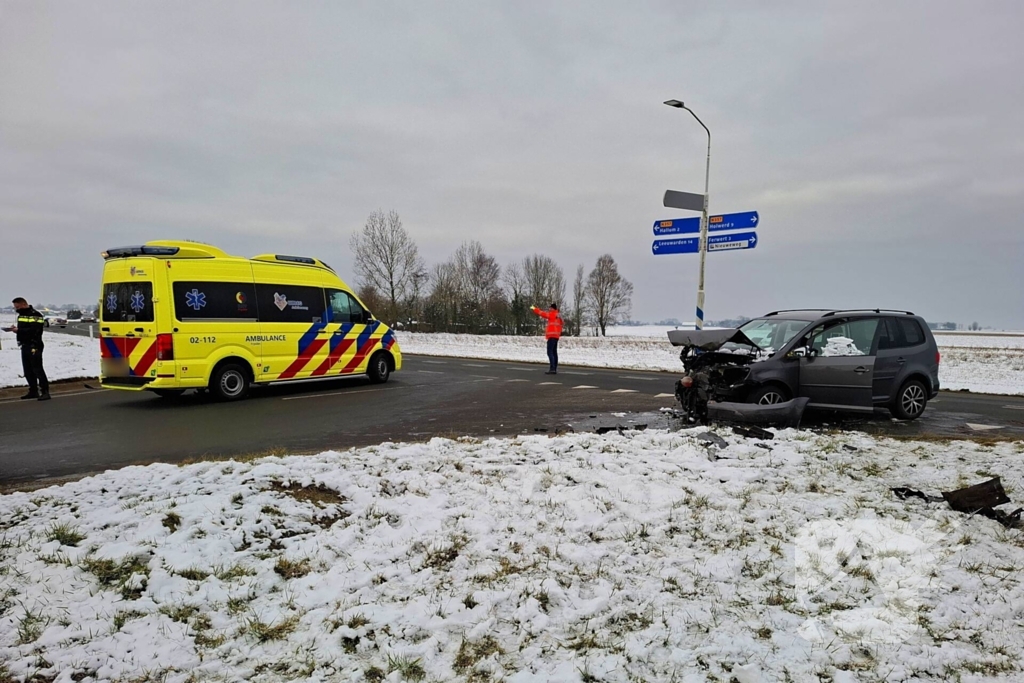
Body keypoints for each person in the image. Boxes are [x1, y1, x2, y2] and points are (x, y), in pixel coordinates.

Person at [4, 298, 50, 400]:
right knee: (28, 370)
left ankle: (45, 392)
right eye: (15, 307)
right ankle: (33, 391)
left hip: (34, 345)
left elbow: (35, 330)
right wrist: (15, 329)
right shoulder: (22, 315)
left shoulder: (35, 315)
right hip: (25, 345)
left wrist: (19, 330)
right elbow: (24, 328)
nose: (16, 309)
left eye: (17, 307)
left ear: (24, 304)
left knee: (37, 369)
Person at [530, 302, 563, 374]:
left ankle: (552, 368)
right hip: (556, 336)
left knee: (550, 352)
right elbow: (562, 324)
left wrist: (534, 308)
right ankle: (554, 368)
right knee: (554, 352)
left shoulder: (552, 314)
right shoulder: (559, 316)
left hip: (551, 336)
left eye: (550, 308)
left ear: (553, 308)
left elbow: (542, 313)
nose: (549, 309)